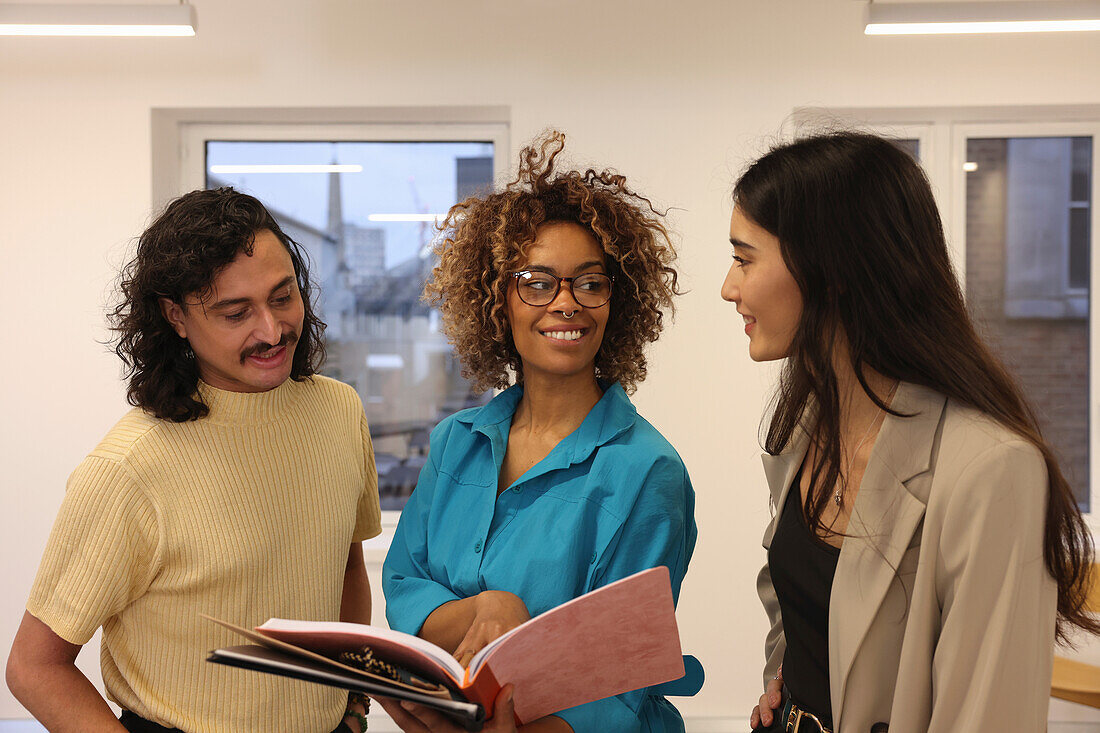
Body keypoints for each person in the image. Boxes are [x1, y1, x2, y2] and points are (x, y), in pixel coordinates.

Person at [722, 131, 1099, 733]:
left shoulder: (993, 467)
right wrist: (788, 690)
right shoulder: (807, 429)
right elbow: (813, 611)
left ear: (832, 270)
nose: (729, 287)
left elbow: (987, 717)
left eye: (744, 258)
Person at [5, 188, 383, 733]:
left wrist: (351, 702)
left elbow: (344, 566)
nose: (272, 332)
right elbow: (34, 667)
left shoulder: (338, 411)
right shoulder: (128, 469)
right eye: (236, 313)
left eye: (283, 297)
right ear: (175, 316)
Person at [378, 131, 698, 733]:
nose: (566, 302)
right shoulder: (455, 442)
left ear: (616, 299)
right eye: (537, 281)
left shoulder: (646, 471)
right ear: (500, 300)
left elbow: (622, 677)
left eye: (590, 281)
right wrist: (491, 608)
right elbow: (404, 586)